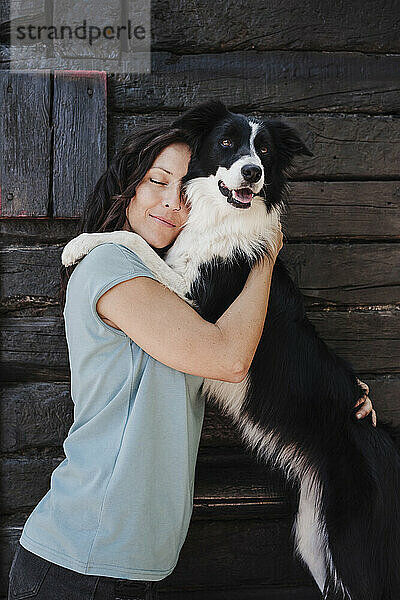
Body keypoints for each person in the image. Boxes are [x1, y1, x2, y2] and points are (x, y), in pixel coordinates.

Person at [7, 123, 376, 600]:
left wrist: (339, 392)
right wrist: (267, 256)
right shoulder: (110, 264)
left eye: (183, 190)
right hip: (81, 559)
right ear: (129, 187)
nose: (171, 203)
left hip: (129, 563)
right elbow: (228, 357)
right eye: (157, 182)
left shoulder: (176, 283)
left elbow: (268, 348)